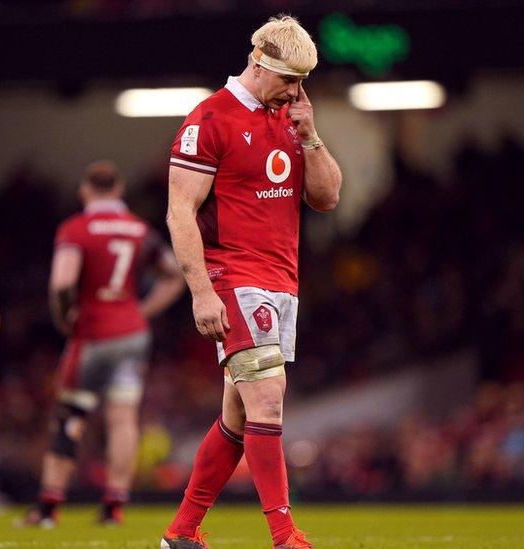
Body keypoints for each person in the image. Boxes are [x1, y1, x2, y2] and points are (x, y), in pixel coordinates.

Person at [159, 15, 342, 549]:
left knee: (238, 419)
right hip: (235, 279)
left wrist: (311, 137)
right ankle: (284, 536)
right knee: (269, 402)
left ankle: (182, 533)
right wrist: (200, 290)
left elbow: (327, 198)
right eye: (290, 80)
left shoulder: (291, 117)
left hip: (282, 280)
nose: (297, 91)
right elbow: (179, 213)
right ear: (259, 64)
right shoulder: (209, 120)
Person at [20, 161, 184, 528]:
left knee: (71, 416)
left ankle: (49, 507)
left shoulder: (77, 229)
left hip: (92, 333)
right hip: (131, 333)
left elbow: (62, 283)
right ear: (120, 190)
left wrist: (65, 319)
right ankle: (113, 506)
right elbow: (174, 275)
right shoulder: (139, 230)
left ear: (85, 191)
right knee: (123, 419)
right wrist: (142, 311)